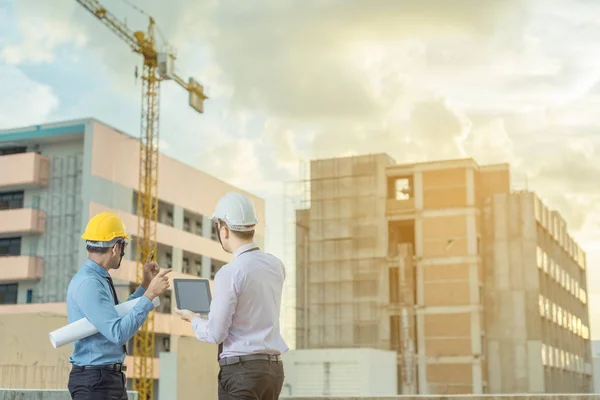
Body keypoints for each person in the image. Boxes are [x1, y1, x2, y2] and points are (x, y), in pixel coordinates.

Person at [176, 192, 288, 400]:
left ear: (224, 229)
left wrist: (193, 319)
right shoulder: (276, 265)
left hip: (242, 373)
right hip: (272, 371)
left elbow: (216, 334)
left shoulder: (229, 273)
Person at [66, 211, 172, 400]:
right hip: (96, 383)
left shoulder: (97, 279)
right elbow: (118, 332)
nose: (122, 252)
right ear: (116, 248)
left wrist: (145, 286)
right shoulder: (89, 283)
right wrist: (149, 296)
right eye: (123, 246)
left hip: (105, 380)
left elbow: (118, 315)